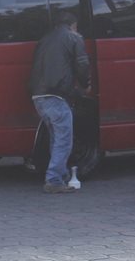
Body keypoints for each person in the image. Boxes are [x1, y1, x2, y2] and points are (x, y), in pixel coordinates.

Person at [29, 10, 90, 194]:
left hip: (38, 96)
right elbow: (82, 64)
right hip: (56, 95)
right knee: (64, 139)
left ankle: (60, 175)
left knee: (57, 137)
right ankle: (54, 179)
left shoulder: (45, 39)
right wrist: (85, 85)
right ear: (73, 25)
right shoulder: (73, 37)